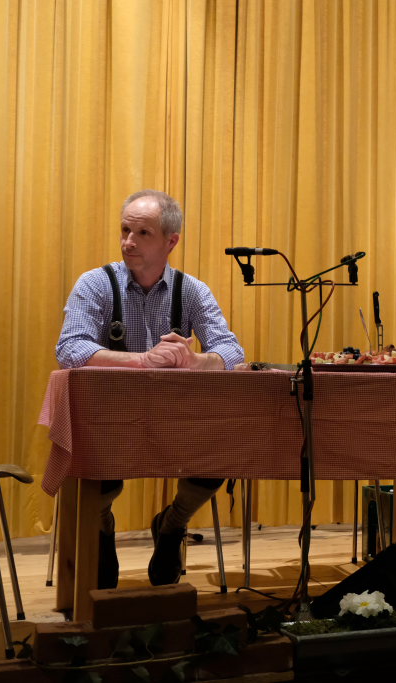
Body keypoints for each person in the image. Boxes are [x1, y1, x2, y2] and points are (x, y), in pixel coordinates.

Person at [56, 189, 245, 587]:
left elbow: (231, 350)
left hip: (177, 422)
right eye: (125, 230)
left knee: (224, 448)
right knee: (94, 467)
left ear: (171, 241)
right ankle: (102, 526)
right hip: (110, 423)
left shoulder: (191, 290)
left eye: (142, 233)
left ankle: (173, 524)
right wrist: (143, 359)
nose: (128, 241)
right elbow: (70, 349)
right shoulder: (96, 283)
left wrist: (198, 361)